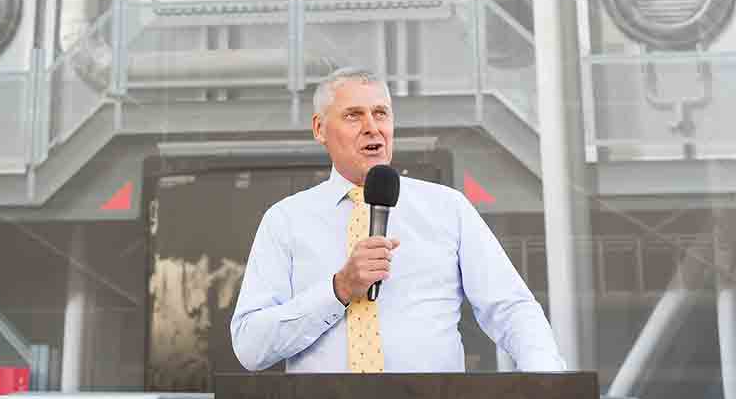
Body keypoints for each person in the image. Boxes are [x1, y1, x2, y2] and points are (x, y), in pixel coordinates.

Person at [231, 67, 566, 373]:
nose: (372, 128)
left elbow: (510, 308)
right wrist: (339, 289)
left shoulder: (448, 209)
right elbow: (250, 346)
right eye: (353, 116)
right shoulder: (285, 220)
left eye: (381, 114)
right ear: (320, 128)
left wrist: (546, 380)